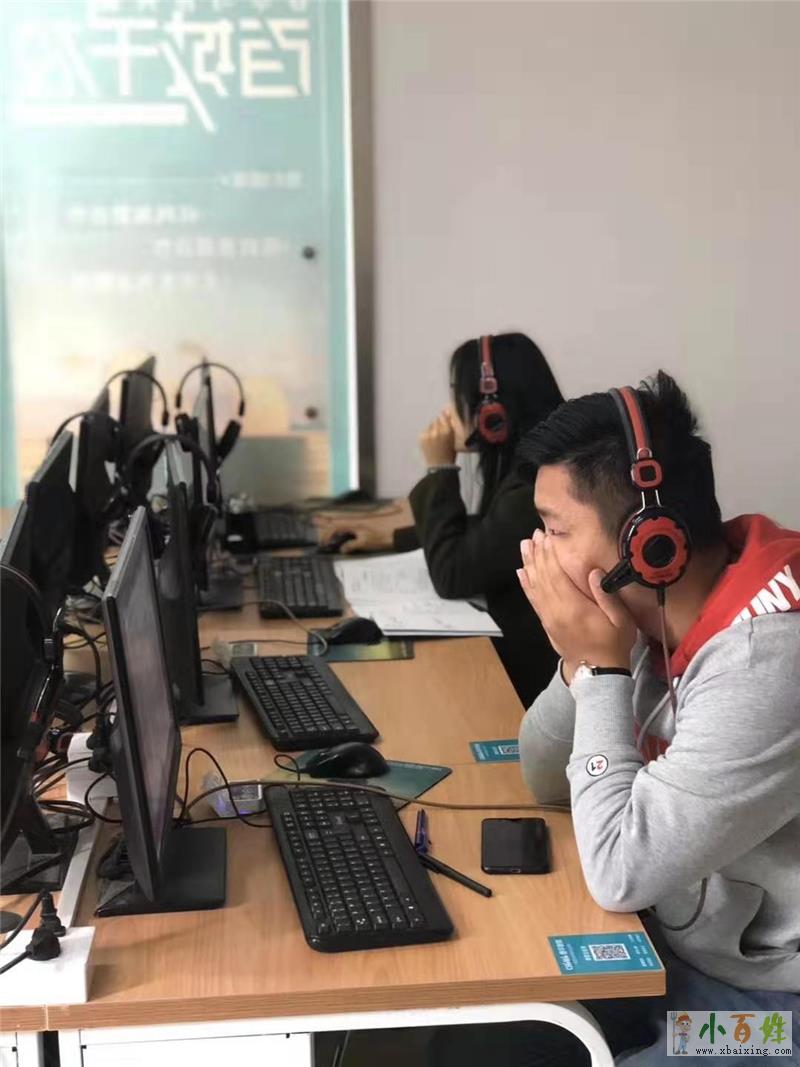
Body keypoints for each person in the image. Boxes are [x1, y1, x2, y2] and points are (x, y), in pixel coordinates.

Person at [506, 371, 800, 1064]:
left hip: (775, 1006)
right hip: (674, 950)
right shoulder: (652, 610)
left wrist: (603, 670)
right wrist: (583, 660)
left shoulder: (768, 660)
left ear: (650, 542)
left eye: (555, 529)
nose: (535, 551)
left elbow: (621, 871)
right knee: (496, 1034)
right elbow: (542, 772)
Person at [316, 332, 565, 705]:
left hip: (531, 678)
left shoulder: (537, 484)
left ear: (492, 412)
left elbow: (453, 575)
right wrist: (391, 539)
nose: (449, 409)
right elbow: (491, 534)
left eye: (456, 395)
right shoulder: (537, 465)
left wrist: (439, 469)